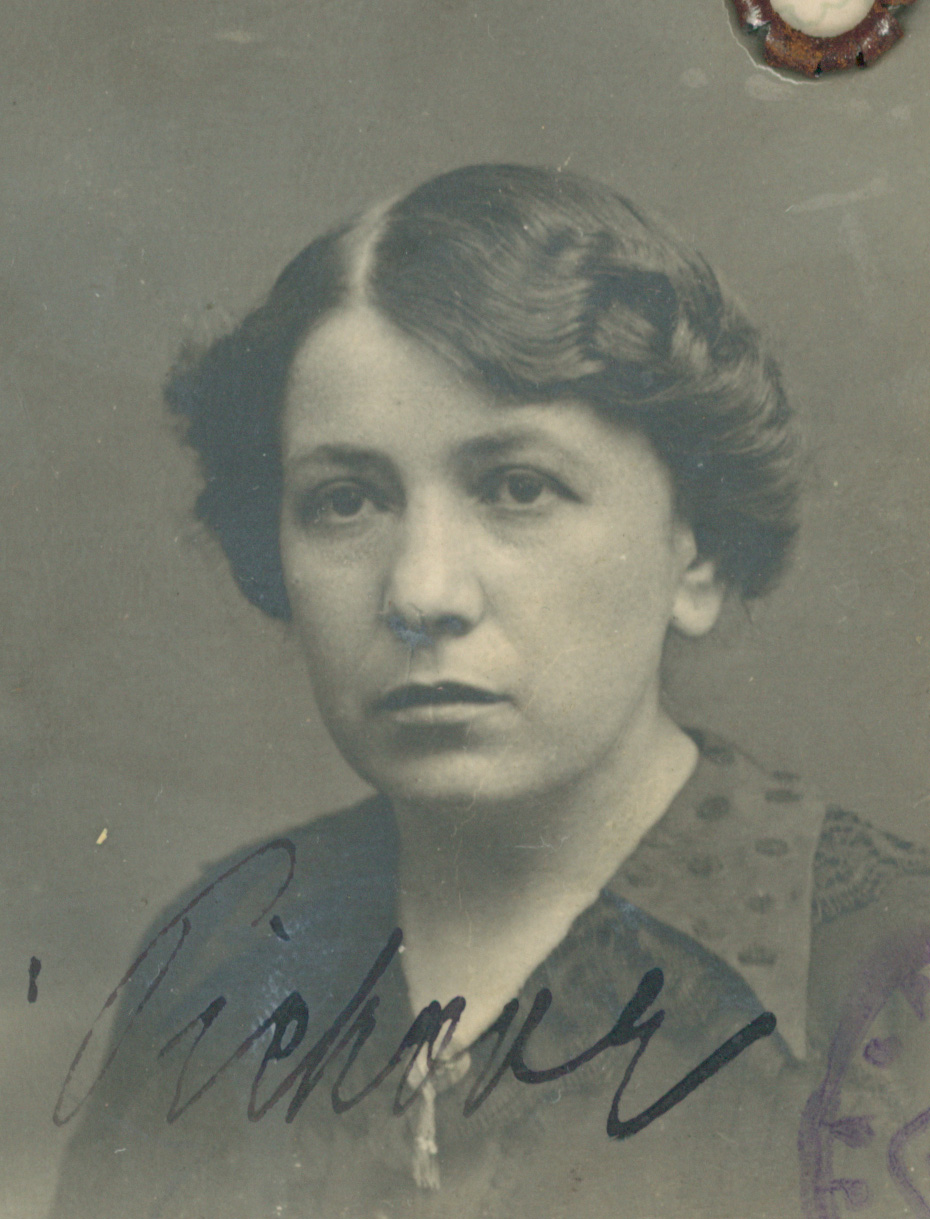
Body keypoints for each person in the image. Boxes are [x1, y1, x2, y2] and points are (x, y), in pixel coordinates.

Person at [50, 164, 930, 1219]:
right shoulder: (220, 960)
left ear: (694, 551)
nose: (422, 591)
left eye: (518, 488)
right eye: (345, 500)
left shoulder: (890, 981)